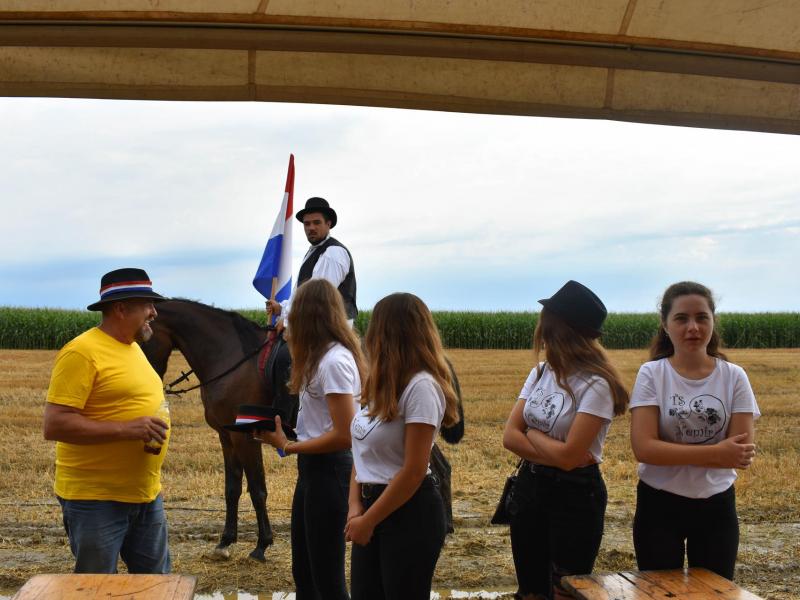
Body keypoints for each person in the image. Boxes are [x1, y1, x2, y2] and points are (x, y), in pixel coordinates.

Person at [502, 280, 628, 600]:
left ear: (557, 328)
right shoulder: (542, 373)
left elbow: (571, 458)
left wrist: (531, 433)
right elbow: (509, 437)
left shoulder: (596, 384)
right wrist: (552, 448)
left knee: (566, 591)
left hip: (575, 496)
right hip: (530, 488)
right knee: (530, 590)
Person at [42, 267, 171, 574]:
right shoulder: (82, 353)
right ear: (120, 308)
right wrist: (129, 429)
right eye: (147, 305)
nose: (154, 312)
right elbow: (55, 424)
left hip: (146, 494)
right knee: (96, 589)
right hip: (96, 500)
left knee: (155, 589)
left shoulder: (133, 350)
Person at [630, 281, 759, 581]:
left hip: (716, 505)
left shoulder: (734, 377)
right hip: (658, 505)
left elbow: (739, 455)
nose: (693, 327)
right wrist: (716, 452)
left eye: (702, 317)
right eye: (681, 318)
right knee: (659, 592)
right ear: (665, 325)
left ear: (713, 321)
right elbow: (645, 449)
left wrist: (671, 452)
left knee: (715, 591)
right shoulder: (652, 374)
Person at [255, 278, 365, 600]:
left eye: (293, 315)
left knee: (327, 582)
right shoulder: (321, 358)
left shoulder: (333, 362)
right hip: (313, 471)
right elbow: (323, 423)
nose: (286, 324)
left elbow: (345, 435)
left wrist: (287, 445)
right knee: (305, 574)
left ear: (310, 317)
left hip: (329, 473)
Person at [345, 292, 460, 600]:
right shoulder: (381, 384)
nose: (369, 337)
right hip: (372, 508)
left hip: (409, 513)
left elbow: (412, 471)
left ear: (390, 333)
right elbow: (362, 450)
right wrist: (355, 506)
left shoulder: (422, 387)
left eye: (375, 328)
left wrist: (367, 520)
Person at [267, 196, 357, 328]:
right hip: (314, 329)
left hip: (331, 333)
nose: (311, 228)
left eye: (317, 222)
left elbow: (316, 299)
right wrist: (281, 308)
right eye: (307, 224)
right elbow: (300, 293)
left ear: (328, 224)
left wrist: (286, 322)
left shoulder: (332, 253)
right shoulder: (314, 251)